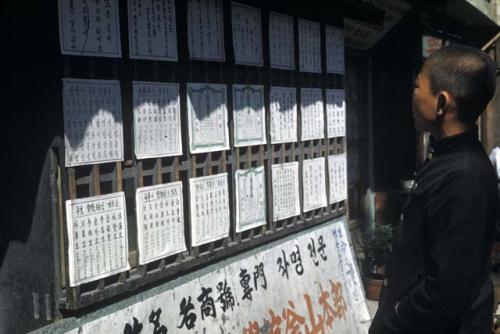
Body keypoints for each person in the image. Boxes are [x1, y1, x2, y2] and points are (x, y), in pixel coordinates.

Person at [369, 45, 499, 333]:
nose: (412, 94)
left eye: (417, 86)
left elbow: (446, 289)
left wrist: (396, 317)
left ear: (441, 103)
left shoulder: (465, 176)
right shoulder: (445, 159)